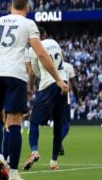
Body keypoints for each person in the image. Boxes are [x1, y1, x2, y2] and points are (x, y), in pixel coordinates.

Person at [0, 0, 67, 180]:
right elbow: (42, 54)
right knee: (14, 122)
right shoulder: (28, 24)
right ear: (27, 8)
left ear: (10, 7)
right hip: (15, 75)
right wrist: (58, 79)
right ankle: (14, 173)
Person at [23, 28, 68, 172]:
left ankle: (34, 151)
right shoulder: (55, 43)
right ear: (46, 34)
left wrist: (31, 86)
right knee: (58, 125)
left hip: (48, 85)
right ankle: (53, 162)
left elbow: (33, 73)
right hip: (63, 83)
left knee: (33, 121)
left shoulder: (34, 48)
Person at [59, 60, 80, 156]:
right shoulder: (68, 66)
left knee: (58, 125)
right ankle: (58, 143)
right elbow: (74, 86)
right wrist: (78, 99)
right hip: (63, 97)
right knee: (66, 126)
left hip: (50, 96)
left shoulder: (50, 64)